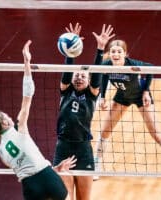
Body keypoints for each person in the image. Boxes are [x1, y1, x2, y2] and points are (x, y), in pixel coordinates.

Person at [0, 40, 77, 200]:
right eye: (7, 116)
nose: (9, 117)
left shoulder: (1, 152)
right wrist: (26, 62)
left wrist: (53, 169)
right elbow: (28, 94)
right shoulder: (21, 128)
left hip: (30, 187)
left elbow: (27, 168)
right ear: (5, 122)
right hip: (48, 178)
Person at [93, 31, 161, 180]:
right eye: (113, 52)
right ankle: (97, 163)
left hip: (140, 97)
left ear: (125, 54)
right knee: (104, 131)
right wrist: (102, 96)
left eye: (119, 52)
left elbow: (150, 69)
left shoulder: (133, 64)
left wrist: (146, 91)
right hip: (122, 97)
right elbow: (103, 75)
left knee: (156, 134)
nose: (116, 54)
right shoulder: (107, 64)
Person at [53, 23, 115, 200]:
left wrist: (100, 48)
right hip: (63, 147)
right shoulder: (65, 91)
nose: (79, 77)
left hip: (83, 149)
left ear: (88, 82)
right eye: (77, 75)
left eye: (83, 76)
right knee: (64, 197)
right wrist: (70, 53)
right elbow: (67, 72)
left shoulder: (92, 94)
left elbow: (96, 75)